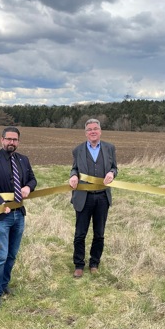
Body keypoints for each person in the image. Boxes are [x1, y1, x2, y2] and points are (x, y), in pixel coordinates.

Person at [0, 127, 37, 305]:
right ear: (2, 140)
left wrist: (28, 187)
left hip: (19, 215)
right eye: (9, 139)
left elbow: (33, 179)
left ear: (18, 142)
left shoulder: (23, 160)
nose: (12, 142)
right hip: (0, 216)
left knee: (12, 254)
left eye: (15, 140)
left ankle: (4, 284)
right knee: (0, 256)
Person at [69, 118, 118, 278]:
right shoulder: (78, 150)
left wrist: (112, 173)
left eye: (95, 128)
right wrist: (73, 176)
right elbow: (74, 169)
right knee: (80, 234)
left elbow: (114, 168)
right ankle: (79, 265)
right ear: (86, 133)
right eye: (89, 129)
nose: (92, 131)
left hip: (102, 197)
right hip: (84, 197)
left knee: (99, 233)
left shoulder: (110, 148)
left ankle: (94, 263)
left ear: (100, 131)